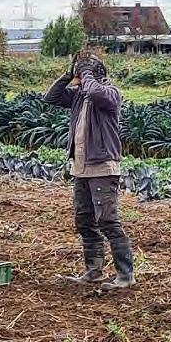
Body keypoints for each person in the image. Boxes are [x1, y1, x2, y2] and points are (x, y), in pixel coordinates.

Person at [43, 51, 135, 291]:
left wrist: (86, 73)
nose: (82, 78)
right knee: (84, 220)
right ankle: (93, 271)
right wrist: (69, 73)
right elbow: (50, 97)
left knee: (107, 221)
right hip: (81, 168)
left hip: (103, 167)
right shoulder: (79, 97)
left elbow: (96, 91)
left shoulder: (109, 93)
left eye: (85, 73)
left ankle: (125, 275)